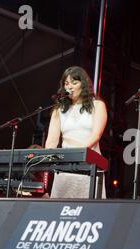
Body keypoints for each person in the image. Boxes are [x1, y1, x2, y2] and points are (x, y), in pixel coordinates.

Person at [45, 66, 107, 199]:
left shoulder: (97, 105)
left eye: (74, 82)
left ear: (83, 84)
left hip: (89, 166)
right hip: (64, 168)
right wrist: (49, 158)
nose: (70, 87)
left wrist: (78, 154)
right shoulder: (59, 109)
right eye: (66, 84)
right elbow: (51, 141)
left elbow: (96, 135)